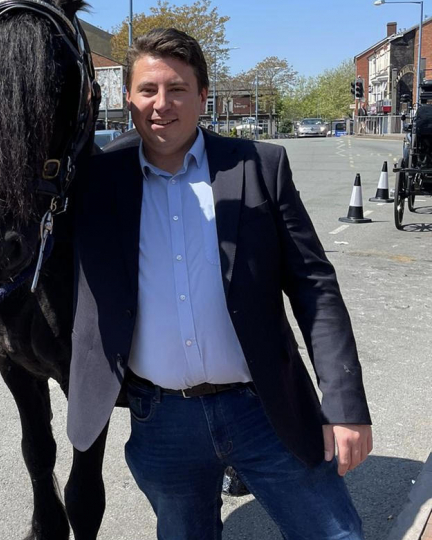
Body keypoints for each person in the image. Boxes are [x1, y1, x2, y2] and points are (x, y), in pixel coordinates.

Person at [67, 28, 372, 539]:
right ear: (127, 99)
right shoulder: (96, 180)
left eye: (178, 89)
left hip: (264, 410)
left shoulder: (259, 165)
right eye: (147, 90)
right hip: (161, 420)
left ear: (204, 96)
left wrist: (345, 405)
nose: (161, 104)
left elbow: (314, 285)